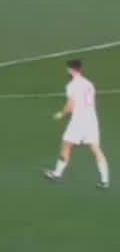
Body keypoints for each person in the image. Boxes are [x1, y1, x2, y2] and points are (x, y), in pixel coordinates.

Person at [45, 59, 110, 189]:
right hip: (91, 120)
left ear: (71, 70)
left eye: (67, 69)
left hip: (78, 121)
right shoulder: (89, 83)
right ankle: (105, 180)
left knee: (66, 146)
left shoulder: (72, 85)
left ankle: (57, 174)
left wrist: (61, 114)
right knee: (96, 149)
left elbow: (70, 105)